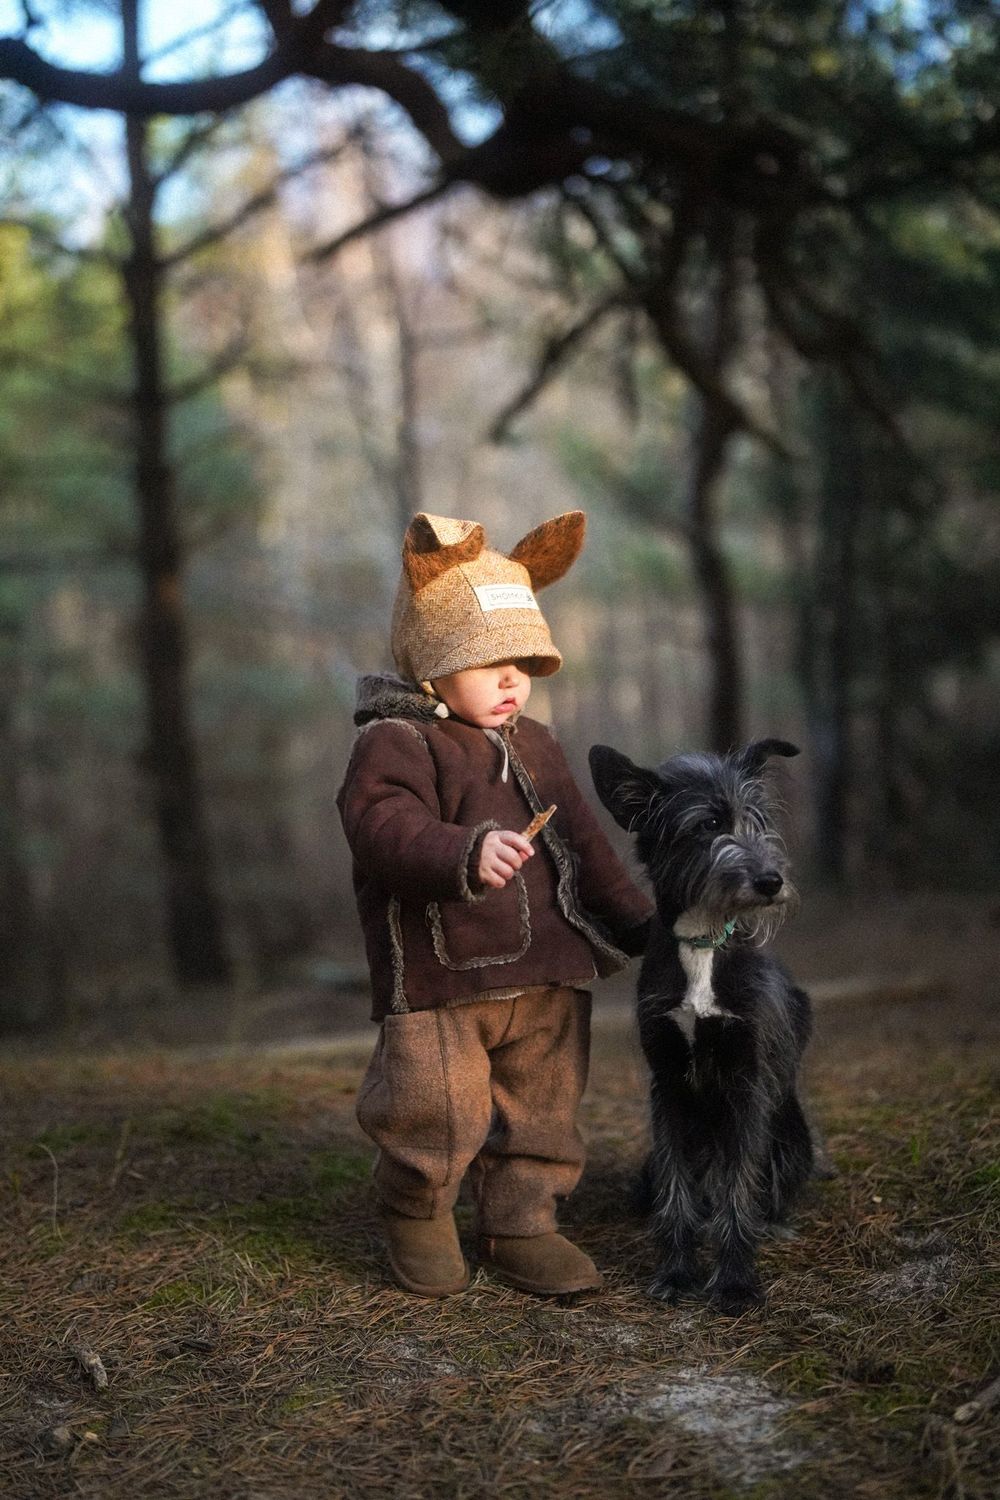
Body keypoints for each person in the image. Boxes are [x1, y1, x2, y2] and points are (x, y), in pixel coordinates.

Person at [336, 509, 653, 1298]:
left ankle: (521, 1223)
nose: (512, 678)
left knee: (542, 1110)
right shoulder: (395, 743)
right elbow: (382, 829)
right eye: (487, 660)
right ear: (430, 665)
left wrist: (645, 924)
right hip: (443, 980)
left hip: (548, 969)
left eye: (523, 660)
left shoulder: (538, 745)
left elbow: (584, 842)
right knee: (433, 1109)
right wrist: (464, 852)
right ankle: (416, 1209)